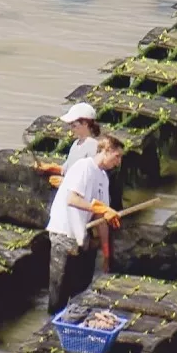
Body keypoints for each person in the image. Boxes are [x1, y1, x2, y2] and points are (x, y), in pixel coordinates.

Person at [45, 135, 124, 314]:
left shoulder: (103, 178)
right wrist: (99, 207)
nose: (118, 162)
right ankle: (52, 323)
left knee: (81, 287)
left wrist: (106, 253)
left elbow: (101, 217)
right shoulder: (84, 167)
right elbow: (72, 199)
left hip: (82, 234)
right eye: (117, 156)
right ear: (106, 151)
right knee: (60, 287)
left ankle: (72, 321)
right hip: (64, 232)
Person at [35, 102, 100, 189]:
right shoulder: (76, 143)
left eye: (74, 126)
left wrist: (65, 182)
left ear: (85, 123)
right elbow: (67, 169)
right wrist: (50, 167)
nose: (71, 129)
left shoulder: (93, 146)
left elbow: (90, 178)